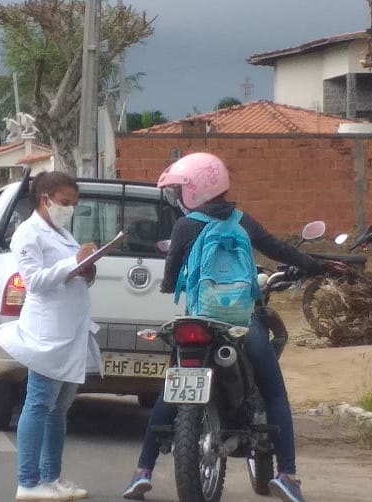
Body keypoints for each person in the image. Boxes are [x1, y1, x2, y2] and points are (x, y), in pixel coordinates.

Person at [122, 152, 340, 502]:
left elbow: (170, 278)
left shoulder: (184, 226)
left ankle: (142, 472)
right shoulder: (243, 222)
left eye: (180, 189)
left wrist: (172, 282)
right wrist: (315, 266)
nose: (177, 196)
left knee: (170, 391)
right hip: (241, 321)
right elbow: (279, 249)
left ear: (194, 190)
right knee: (275, 393)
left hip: (197, 322)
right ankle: (287, 475)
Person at [0, 171, 100, 501]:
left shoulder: (63, 232)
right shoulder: (27, 234)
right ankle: (28, 481)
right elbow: (34, 281)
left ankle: (52, 476)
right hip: (46, 332)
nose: (70, 209)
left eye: (74, 204)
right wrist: (73, 263)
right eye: (65, 203)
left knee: (58, 409)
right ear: (45, 199)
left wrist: (86, 269)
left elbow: (74, 273)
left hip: (71, 330)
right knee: (39, 403)